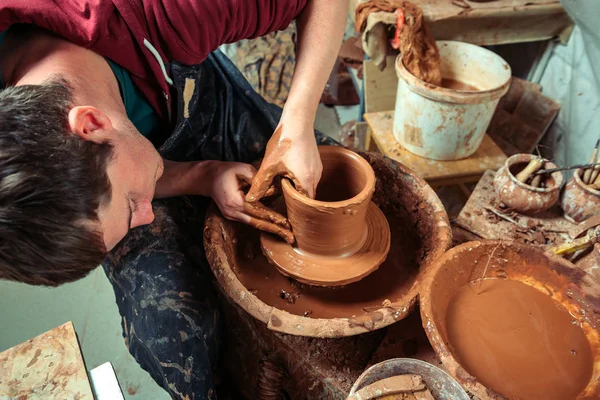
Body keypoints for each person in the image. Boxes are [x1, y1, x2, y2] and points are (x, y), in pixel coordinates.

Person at [0, 1, 347, 398]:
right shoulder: (81, 171)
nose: (146, 217)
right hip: (137, 154)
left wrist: (297, 124)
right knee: (170, 338)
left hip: (202, 100)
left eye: (133, 205)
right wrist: (201, 176)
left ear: (92, 125)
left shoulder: (180, 12)